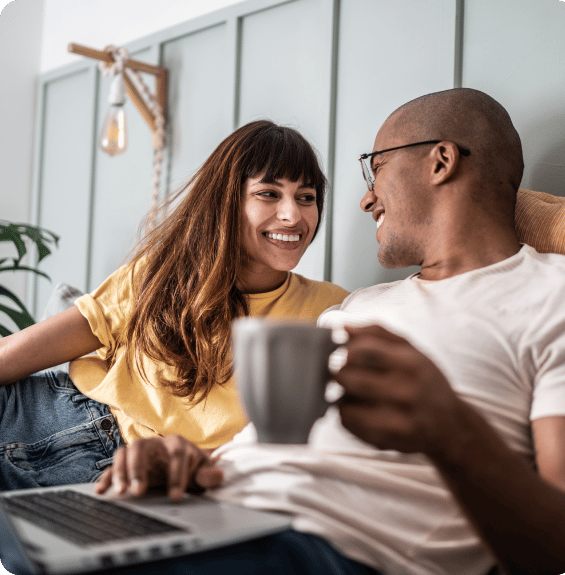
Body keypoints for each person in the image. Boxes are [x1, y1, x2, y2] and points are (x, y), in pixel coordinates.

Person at [94, 88, 565, 575]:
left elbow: (557, 546)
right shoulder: (357, 306)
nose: (367, 198)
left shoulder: (558, 296)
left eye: (377, 166)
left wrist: (451, 429)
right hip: (204, 512)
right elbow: (271, 452)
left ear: (441, 161)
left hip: (318, 551)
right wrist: (190, 461)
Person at [0, 120, 349, 491]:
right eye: (268, 193)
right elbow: (12, 353)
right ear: (227, 200)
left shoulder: (334, 310)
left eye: (306, 197)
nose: (293, 215)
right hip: (52, 407)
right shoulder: (160, 275)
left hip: (137, 472)